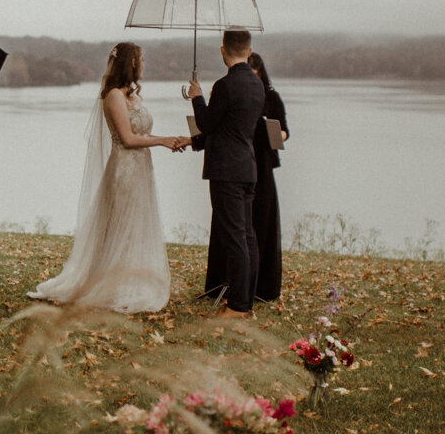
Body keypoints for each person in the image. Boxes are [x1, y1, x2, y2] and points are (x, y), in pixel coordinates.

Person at [29, 43, 188, 313]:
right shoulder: (113, 95)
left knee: (136, 224)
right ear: (132, 63)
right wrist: (161, 141)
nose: (145, 65)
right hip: (124, 170)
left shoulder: (132, 96)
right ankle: (114, 284)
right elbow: (126, 139)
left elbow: (141, 133)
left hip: (141, 170)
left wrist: (171, 139)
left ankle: (133, 280)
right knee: (121, 227)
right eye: (142, 59)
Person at [188, 28, 266, 319]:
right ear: (248, 51)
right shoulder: (257, 85)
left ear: (223, 50)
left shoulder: (225, 85)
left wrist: (197, 98)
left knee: (235, 237)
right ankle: (244, 298)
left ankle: (238, 306)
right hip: (247, 166)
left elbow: (207, 123)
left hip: (226, 169)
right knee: (247, 236)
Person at [204, 51, 287, 306]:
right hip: (238, 164)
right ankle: (226, 282)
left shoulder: (270, 97)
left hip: (261, 164)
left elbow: (284, 131)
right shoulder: (232, 93)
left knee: (259, 224)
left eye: (255, 72)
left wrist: (275, 134)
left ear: (261, 74)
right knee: (232, 226)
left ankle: (260, 285)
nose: (251, 76)